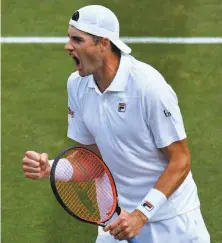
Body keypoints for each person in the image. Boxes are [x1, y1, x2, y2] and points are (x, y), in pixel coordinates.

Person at [22, 5, 210, 243]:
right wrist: (50, 168)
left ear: (104, 44)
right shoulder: (77, 86)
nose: (68, 46)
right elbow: (93, 163)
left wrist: (142, 214)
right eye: (69, 38)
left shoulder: (148, 87)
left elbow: (180, 160)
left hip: (171, 224)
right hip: (117, 221)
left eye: (77, 39)